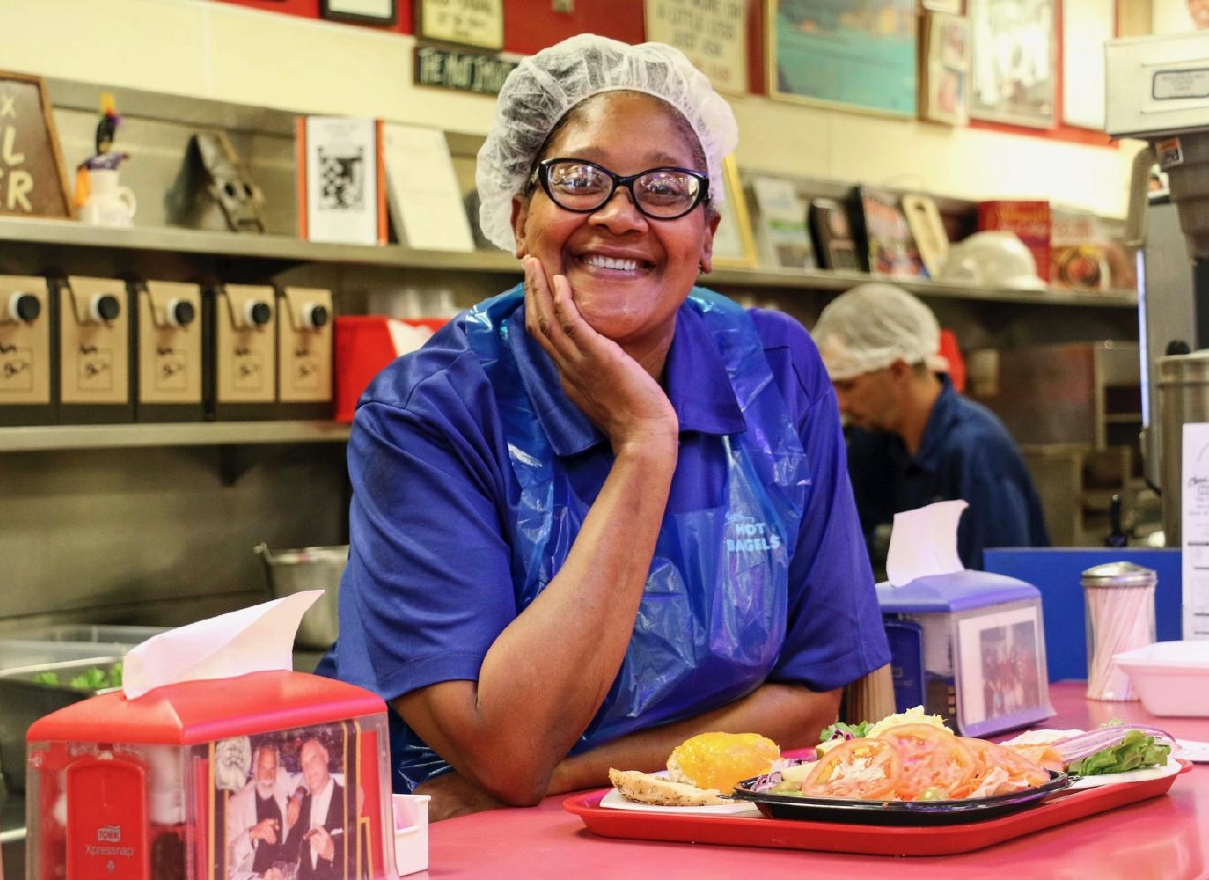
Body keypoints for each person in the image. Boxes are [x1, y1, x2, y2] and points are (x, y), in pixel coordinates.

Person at [320, 33, 891, 820]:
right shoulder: (429, 413)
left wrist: (573, 775)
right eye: (580, 180)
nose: (620, 216)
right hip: (460, 854)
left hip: (705, 833)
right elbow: (507, 746)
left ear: (709, 236)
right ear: (520, 219)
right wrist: (644, 445)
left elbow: (813, 698)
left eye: (664, 188)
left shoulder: (774, 370)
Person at [810, 282, 1049, 571]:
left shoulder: (975, 452)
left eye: (848, 385)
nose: (841, 403)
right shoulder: (875, 443)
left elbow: (1002, 589)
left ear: (898, 370)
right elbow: (844, 548)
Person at [225, 740, 300, 879]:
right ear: (254, 769)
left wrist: (298, 797)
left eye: (272, 769)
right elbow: (226, 861)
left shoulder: (281, 780)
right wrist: (251, 835)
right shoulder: (236, 805)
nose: (268, 776)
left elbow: (306, 778)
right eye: (263, 768)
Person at [284, 736, 350, 879]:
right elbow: (288, 852)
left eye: (313, 759)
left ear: (325, 756)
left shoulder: (349, 800)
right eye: (304, 764)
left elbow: (366, 860)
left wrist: (333, 853)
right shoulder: (301, 808)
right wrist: (278, 870)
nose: (308, 769)